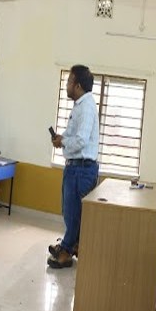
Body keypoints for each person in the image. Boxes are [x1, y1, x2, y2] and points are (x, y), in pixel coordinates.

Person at [48, 65, 99, 269]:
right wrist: (61, 139)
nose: (67, 85)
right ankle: (72, 244)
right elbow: (73, 137)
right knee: (69, 210)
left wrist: (64, 142)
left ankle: (66, 251)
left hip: (81, 169)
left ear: (77, 85)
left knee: (73, 211)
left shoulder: (86, 107)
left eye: (69, 82)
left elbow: (80, 141)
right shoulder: (80, 105)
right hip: (75, 167)